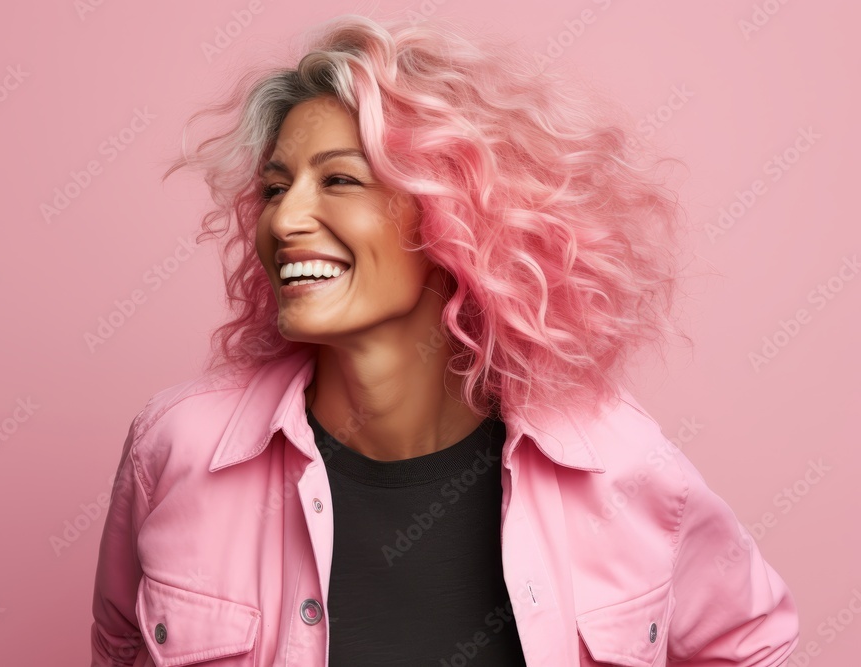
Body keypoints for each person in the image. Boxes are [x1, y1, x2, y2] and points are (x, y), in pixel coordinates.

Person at [90, 13, 800, 667]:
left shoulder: (616, 462)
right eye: (276, 188)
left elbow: (754, 641)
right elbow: (117, 645)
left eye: (339, 179)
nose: (285, 219)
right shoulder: (176, 448)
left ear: (452, 216)